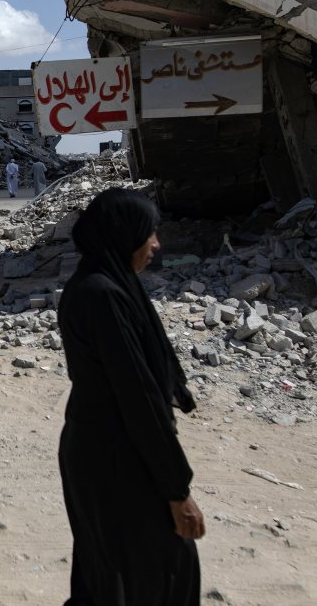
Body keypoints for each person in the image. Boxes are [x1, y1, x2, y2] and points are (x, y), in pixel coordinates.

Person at [57, 188, 204, 606]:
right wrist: (178, 491)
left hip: (101, 449)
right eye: (149, 233)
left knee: (108, 573)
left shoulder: (98, 284)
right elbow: (138, 398)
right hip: (116, 458)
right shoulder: (103, 295)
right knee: (161, 571)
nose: (156, 244)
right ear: (123, 235)